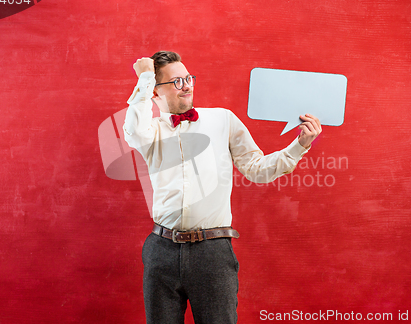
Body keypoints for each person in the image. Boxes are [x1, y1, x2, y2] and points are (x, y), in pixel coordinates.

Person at [123, 51, 322, 324]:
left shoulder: (223, 120)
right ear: (156, 92)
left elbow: (257, 169)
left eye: (188, 78)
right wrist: (145, 78)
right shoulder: (150, 130)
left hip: (212, 252)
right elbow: (133, 130)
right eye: (176, 82)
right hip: (161, 250)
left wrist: (299, 145)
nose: (187, 86)